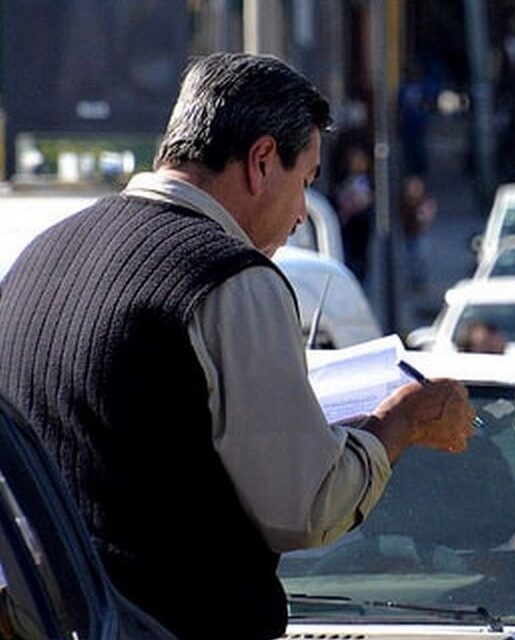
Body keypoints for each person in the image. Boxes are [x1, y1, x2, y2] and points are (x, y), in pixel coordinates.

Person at [0, 52, 475, 640]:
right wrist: (400, 422)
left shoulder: (37, 257)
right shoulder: (231, 280)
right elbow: (308, 507)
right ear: (261, 161)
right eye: (304, 183)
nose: (302, 213)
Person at [336, 145, 375, 282]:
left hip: (361, 227)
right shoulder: (345, 180)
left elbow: (367, 200)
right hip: (348, 227)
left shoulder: (366, 182)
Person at [398, 174, 437, 291]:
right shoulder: (405, 203)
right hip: (409, 235)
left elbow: (428, 215)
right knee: (411, 260)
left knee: (420, 259)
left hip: (420, 235)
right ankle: (414, 282)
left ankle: (419, 282)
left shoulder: (422, 202)